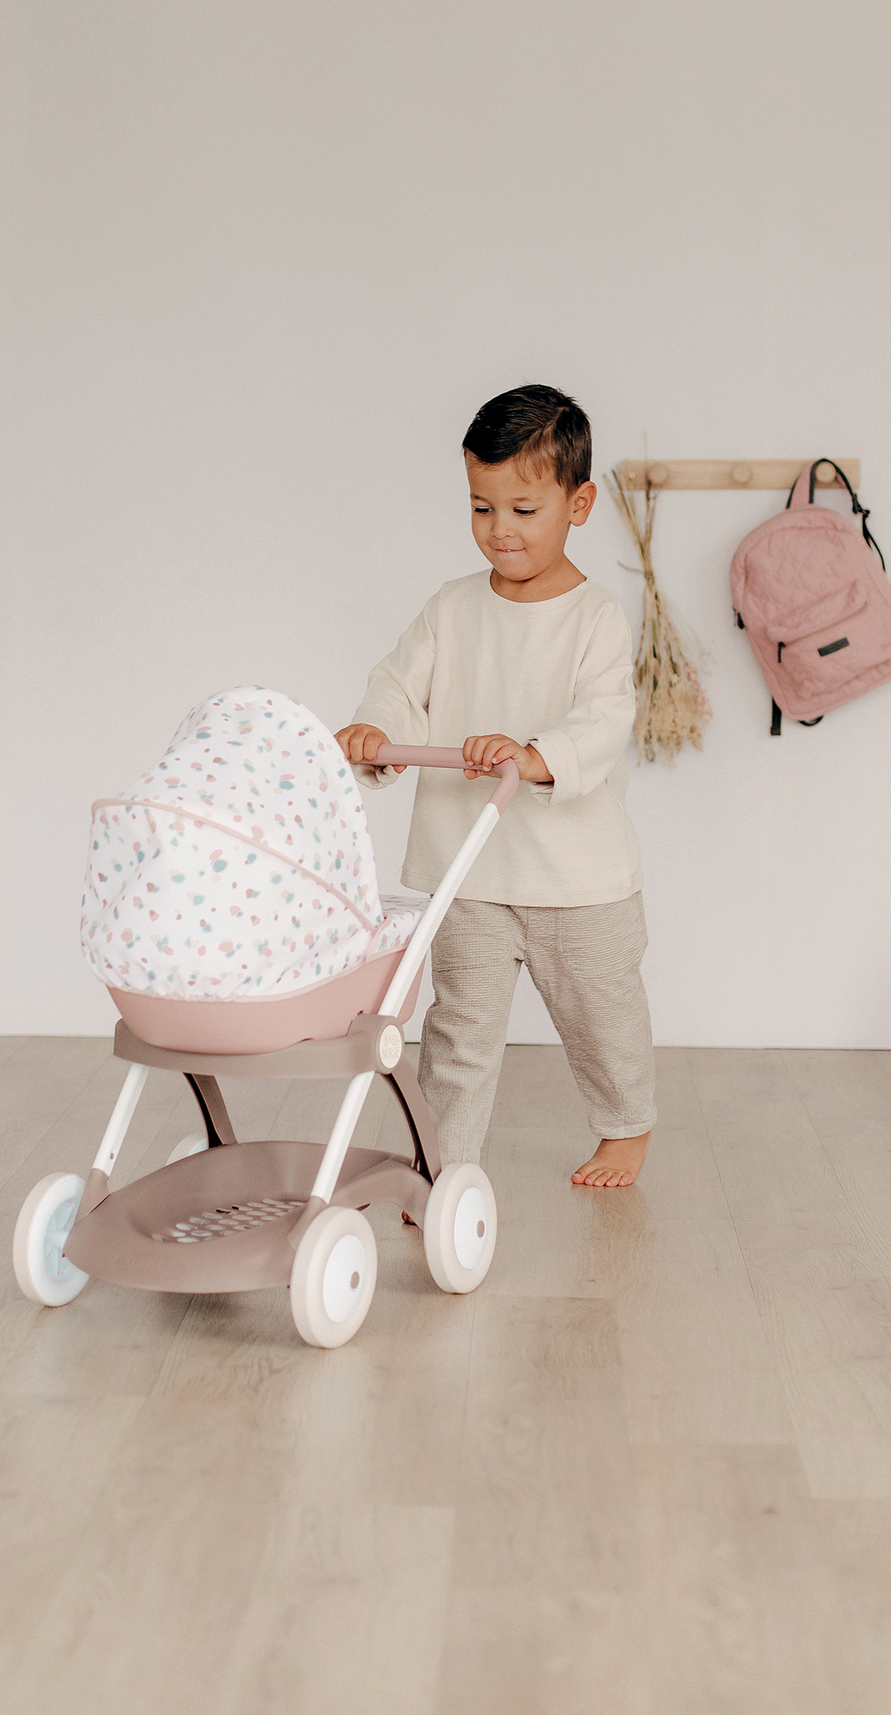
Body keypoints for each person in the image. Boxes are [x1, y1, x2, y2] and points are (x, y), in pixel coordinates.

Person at [335, 384, 656, 1188]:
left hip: (576, 878)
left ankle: (625, 1126)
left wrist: (533, 754)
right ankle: (443, 1165)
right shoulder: (451, 608)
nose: (499, 529)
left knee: (602, 1016)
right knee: (458, 1030)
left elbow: (603, 719)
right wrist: (374, 731)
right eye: (481, 508)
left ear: (578, 504)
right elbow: (396, 685)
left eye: (522, 509)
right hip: (468, 870)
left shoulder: (595, 617)